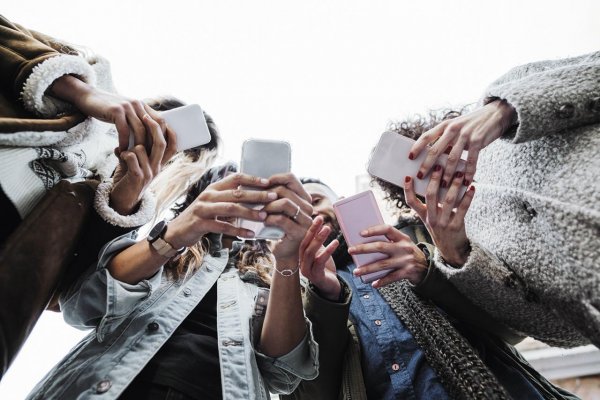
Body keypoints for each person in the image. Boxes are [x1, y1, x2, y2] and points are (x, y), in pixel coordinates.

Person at [0, 15, 214, 377]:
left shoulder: (119, 210)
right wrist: (82, 92)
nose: (160, 146)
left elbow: (69, 299)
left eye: (177, 155)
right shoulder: (89, 72)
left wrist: (123, 196)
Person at [26, 164, 319, 400]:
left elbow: (284, 373)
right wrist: (177, 233)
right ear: (203, 193)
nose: (245, 198)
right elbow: (82, 305)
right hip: (108, 385)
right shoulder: (162, 244)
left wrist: (287, 260)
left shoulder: (277, 273)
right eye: (231, 189)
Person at [283, 175, 577, 399]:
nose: (309, 211)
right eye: (298, 209)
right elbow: (312, 393)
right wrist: (325, 296)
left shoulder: (419, 241)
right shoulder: (297, 300)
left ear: (342, 203)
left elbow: (512, 329)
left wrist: (428, 272)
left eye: (316, 199)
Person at [405, 51, 600, 347]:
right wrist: (459, 254)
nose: (430, 168)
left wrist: (507, 109)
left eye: (429, 146)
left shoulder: (507, 93)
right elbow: (559, 332)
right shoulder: (469, 240)